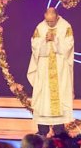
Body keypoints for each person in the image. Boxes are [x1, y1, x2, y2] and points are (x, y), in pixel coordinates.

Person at [28, 7, 75, 136]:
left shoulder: (65, 26)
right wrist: (44, 40)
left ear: (57, 17)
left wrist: (55, 39)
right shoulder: (40, 27)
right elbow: (35, 45)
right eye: (47, 21)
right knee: (43, 97)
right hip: (44, 67)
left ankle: (59, 131)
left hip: (60, 68)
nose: (49, 24)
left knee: (60, 96)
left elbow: (68, 46)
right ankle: (42, 130)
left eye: (52, 21)